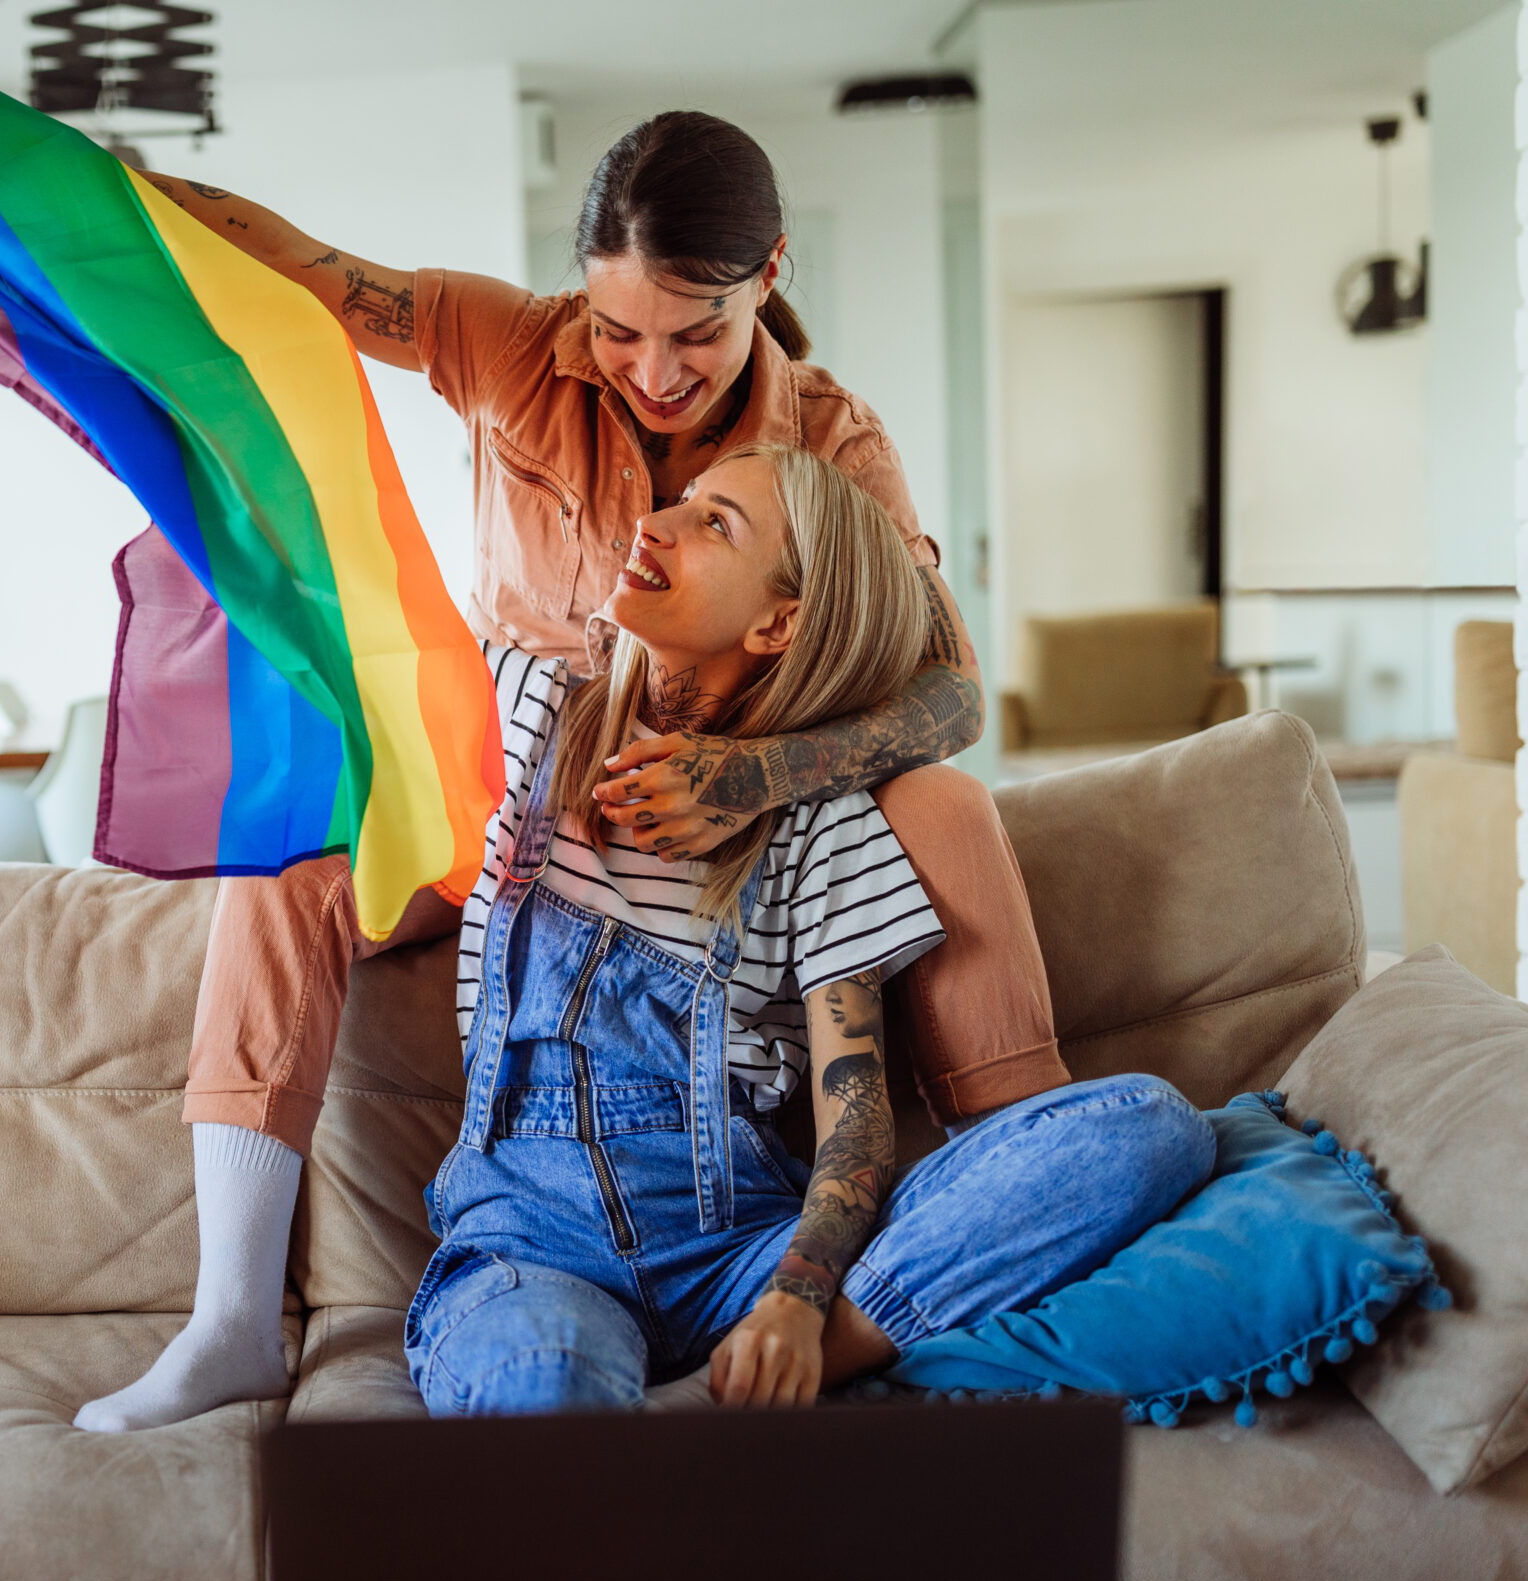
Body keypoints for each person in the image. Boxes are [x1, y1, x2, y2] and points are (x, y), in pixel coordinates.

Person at [73, 112, 1068, 1433]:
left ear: (769, 274)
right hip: (523, 788)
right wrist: (98, 190)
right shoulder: (513, 348)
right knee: (302, 847)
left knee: (947, 797)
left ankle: (1037, 1162)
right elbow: (308, 274)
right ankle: (232, 1321)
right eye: (620, 330)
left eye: (696, 333)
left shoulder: (831, 443)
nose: (654, 372)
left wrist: (760, 775)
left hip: (730, 817)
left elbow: (952, 689)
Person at [411, 444, 1209, 1413]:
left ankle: (803, 1359)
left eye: (714, 524)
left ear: (777, 621)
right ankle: (699, 1411)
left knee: (1146, 1131)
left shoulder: (823, 828)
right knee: (543, 1381)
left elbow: (856, 1122)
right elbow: (334, 620)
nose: (655, 523)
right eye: (682, 501)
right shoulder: (527, 712)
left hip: (738, 1256)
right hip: (531, 1247)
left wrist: (795, 1299)